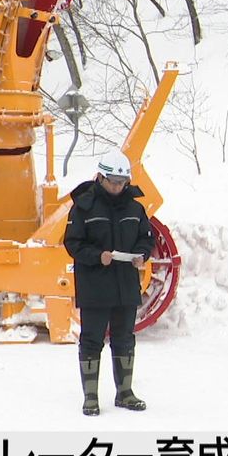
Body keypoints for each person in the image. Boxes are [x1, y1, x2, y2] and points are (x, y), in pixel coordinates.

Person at [64, 150, 155, 416]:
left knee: (124, 339)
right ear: (101, 177)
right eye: (112, 181)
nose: (117, 187)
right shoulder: (83, 206)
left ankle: (125, 393)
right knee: (91, 340)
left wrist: (142, 255)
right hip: (95, 285)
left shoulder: (135, 208)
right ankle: (90, 397)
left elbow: (146, 238)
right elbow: (72, 243)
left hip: (125, 285)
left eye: (121, 182)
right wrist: (97, 256)